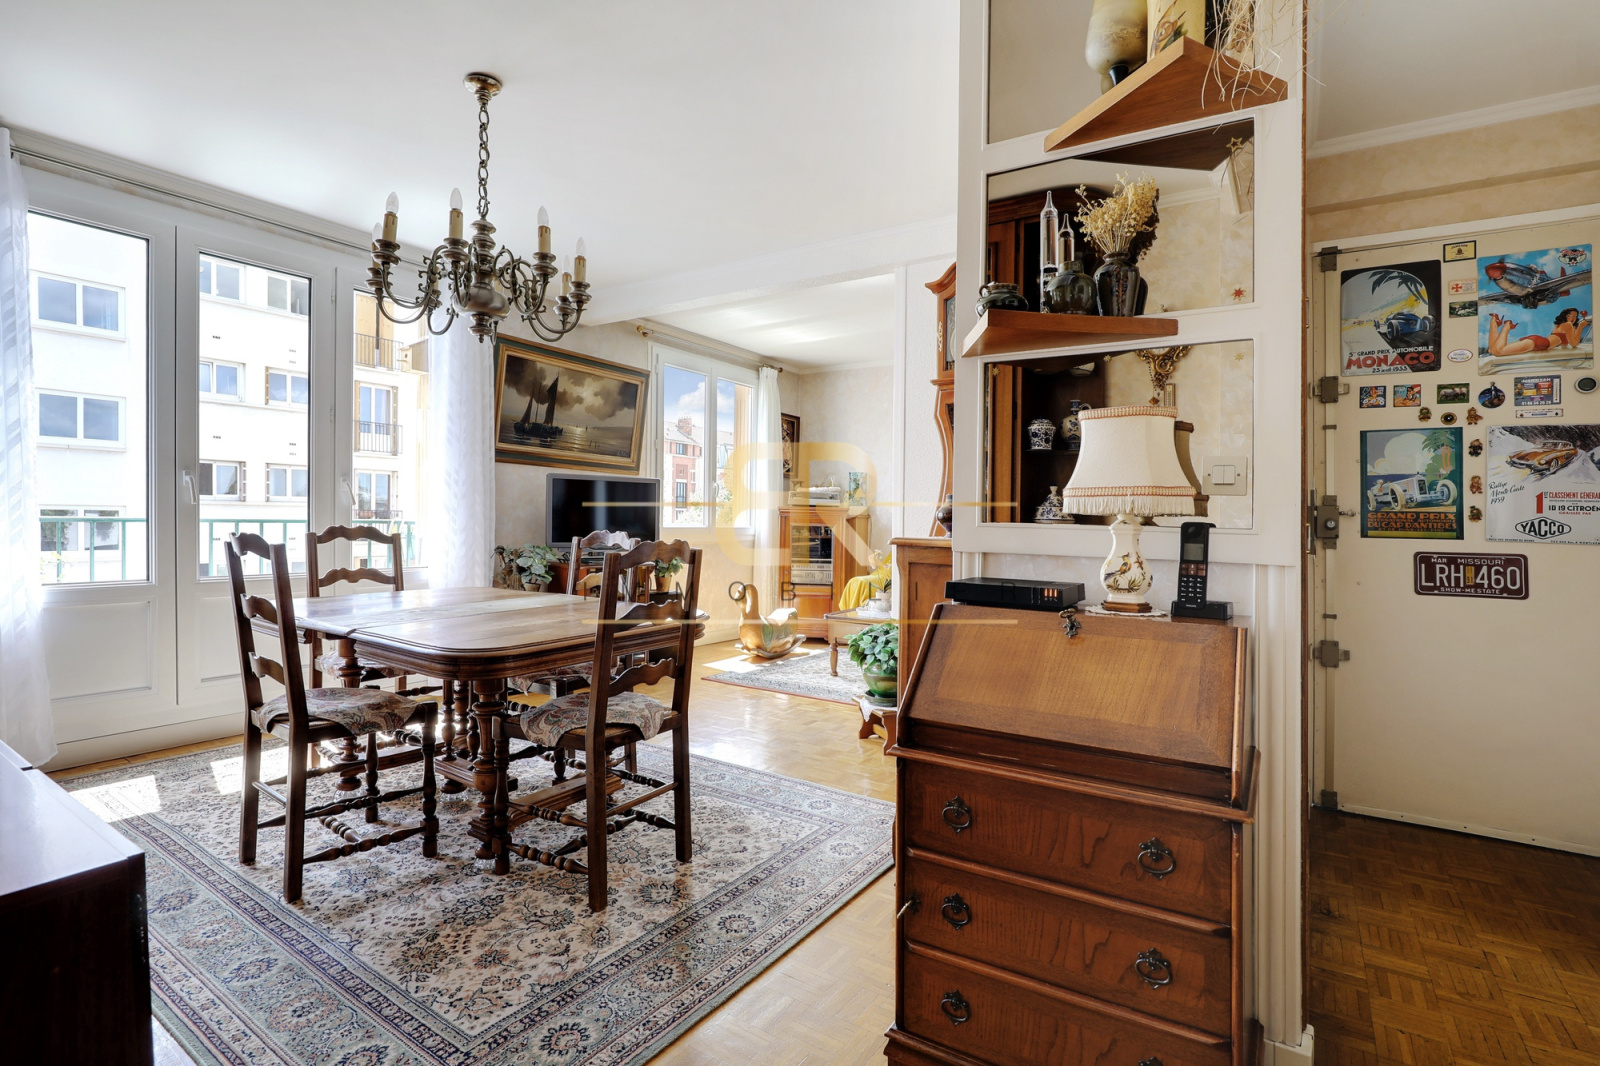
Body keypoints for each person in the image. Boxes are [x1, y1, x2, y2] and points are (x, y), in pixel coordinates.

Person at [1487, 308, 1592, 356]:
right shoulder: (1567, 325)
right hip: (1540, 343)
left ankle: (1494, 322)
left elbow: (1564, 343)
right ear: (1565, 316)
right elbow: (1574, 344)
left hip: (1538, 342)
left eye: (1575, 316)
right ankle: (1507, 325)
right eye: (1569, 315)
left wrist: (1577, 328)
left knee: (1492, 350)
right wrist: (1581, 327)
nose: (1573, 318)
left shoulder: (1560, 326)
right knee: (1498, 351)